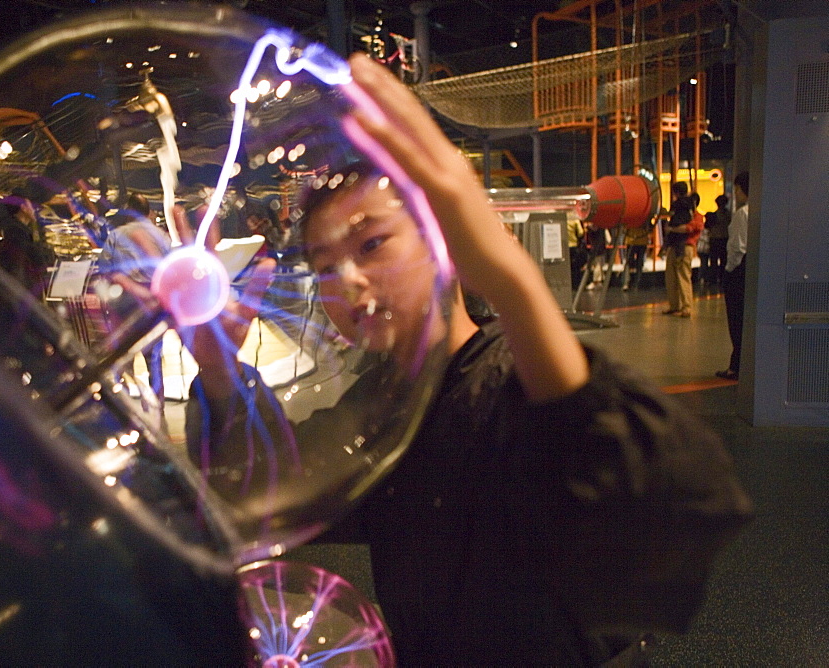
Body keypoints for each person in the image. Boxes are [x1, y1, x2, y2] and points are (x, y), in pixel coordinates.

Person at [182, 54, 752, 665]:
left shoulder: (507, 383)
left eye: (372, 243)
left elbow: (660, 494)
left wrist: (513, 284)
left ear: (443, 241)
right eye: (324, 266)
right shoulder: (385, 405)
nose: (346, 280)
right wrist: (217, 366)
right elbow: (283, 484)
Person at [98, 192, 171, 394]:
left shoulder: (116, 234)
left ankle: (124, 398)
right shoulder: (161, 235)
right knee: (154, 353)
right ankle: (158, 399)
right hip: (152, 299)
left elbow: (104, 266)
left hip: (124, 298)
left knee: (122, 351)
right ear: (148, 211)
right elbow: (170, 267)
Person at [717, 172, 749, 381]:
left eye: (737, 189)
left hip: (738, 273)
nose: (735, 193)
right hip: (751, 271)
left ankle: (735, 366)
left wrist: (728, 270)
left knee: (736, 320)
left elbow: (737, 248)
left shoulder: (742, 214)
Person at [662, 182, 703, 317]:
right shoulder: (689, 214)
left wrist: (672, 229)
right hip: (676, 246)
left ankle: (686, 307)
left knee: (683, 276)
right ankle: (675, 305)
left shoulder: (697, 217)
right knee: (671, 277)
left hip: (686, 246)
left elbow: (688, 228)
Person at [706, 194, 731, 287]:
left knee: (713, 261)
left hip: (715, 240)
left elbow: (708, 226)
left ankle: (713, 279)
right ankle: (722, 279)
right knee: (724, 260)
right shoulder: (729, 215)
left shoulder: (713, 215)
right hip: (725, 239)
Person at [622, 217, 652, 291]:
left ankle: (633, 283)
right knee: (631, 262)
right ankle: (630, 283)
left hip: (638, 240)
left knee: (637, 263)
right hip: (633, 240)